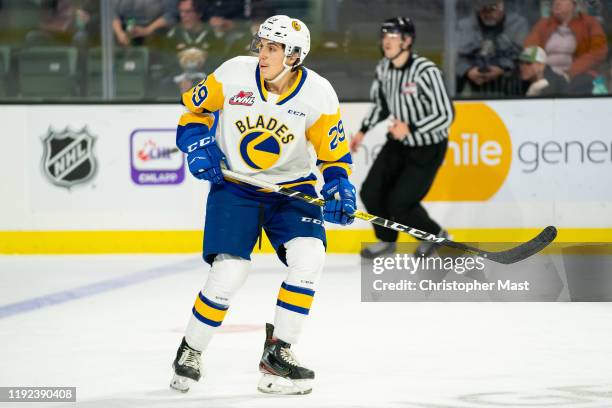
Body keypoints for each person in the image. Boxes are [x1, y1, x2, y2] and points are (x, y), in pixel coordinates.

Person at [170, 15, 355, 395]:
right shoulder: (234, 74)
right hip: (236, 186)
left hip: (292, 190)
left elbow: (334, 157)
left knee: (310, 257)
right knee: (230, 273)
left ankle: (278, 355)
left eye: (273, 47)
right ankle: (189, 351)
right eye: (262, 45)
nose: (262, 53)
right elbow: (193, 112)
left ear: (294, 55)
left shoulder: (318, 94)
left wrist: (339, 187)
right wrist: (195, 143)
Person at [350, 17, 454, 259]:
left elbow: (446, 114)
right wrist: (363, 131)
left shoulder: (426, 71)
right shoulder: (384, 68)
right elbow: (382, 105)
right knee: (370, 193)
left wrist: (412, 128)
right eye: (384, 36)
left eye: (393, 36)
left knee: (401, 204)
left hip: (427, 147)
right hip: (398, 142)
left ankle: (437, 237)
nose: (386, 41)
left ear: (407, 40)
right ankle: (387, 241)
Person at [524, 0, 608, 94]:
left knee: (580, 84)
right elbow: (530, 49)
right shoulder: (543, 24)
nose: (556, 2)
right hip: (547, 75)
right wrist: (539, 70)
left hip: (578, 76)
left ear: (574, 4)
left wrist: (570, 72)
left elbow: (599, 51)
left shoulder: (589, 23)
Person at [456, 0, 528, 96]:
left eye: (492, 9)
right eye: (483, 9)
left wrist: (502, 68)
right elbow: (455, 57)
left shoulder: (518, 24)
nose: (487, 14)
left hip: (509, 85)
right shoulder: (464, 26)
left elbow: (520, 54)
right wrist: (468, 71)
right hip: (475, 84)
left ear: (501, 5)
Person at [164, 0, 210, 93]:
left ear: (199, 13)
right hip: (178, 84)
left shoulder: (212, 35)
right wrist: (180, 79)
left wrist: (197, 81)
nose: (183, 15)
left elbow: (217, 63)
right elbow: (167, 62)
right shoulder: (174, 35)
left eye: (188, 12)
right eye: (181, 11)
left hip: (207, 84)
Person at [111, 0, 177, 46]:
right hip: (123, 36)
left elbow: (171, 14)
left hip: (156, 38)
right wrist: (119, 32)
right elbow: (111, 12)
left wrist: (147, 30)